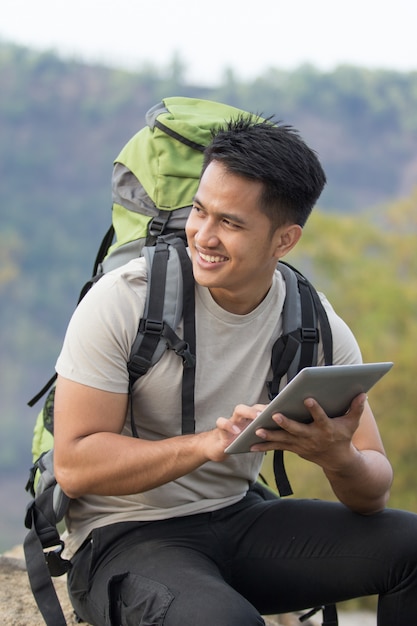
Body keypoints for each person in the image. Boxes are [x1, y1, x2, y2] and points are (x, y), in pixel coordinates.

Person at [53, 115, 417, 626]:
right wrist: (205, 445)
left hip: (238, 519)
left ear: (284, 240)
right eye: (201, 211)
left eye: (231, 223)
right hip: (125, 534)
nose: (203, 234)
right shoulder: (126, 301)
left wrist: (338, 457)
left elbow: (373, 487)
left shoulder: (313, 324)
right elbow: (74, 463)